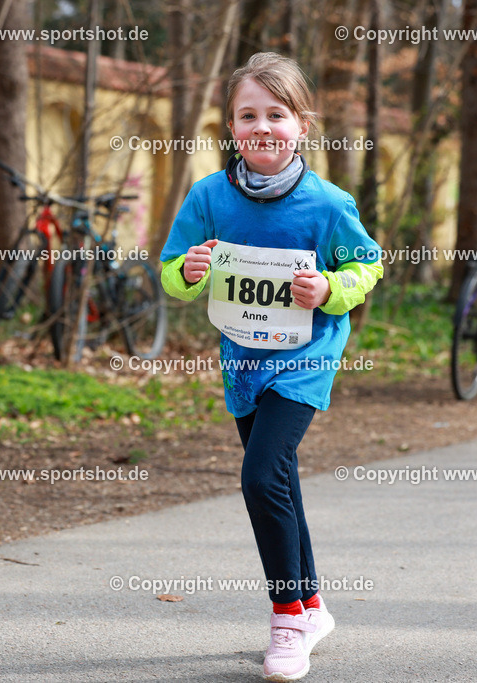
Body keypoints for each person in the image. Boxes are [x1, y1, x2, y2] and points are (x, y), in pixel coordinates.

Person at [159, 52, 383, 682]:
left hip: (307, 357)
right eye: (247, 114)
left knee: (259, 477)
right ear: (231, 127)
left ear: (302, 124)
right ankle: (312, 604)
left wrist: (330, 289)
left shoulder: (328, 203)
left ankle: (287, 621)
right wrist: (188, 273)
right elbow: (172, 267)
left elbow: (367, 265)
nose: (262, 126)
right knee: (279, 477)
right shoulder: (208, 196)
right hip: (244, 360)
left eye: (275, 114)